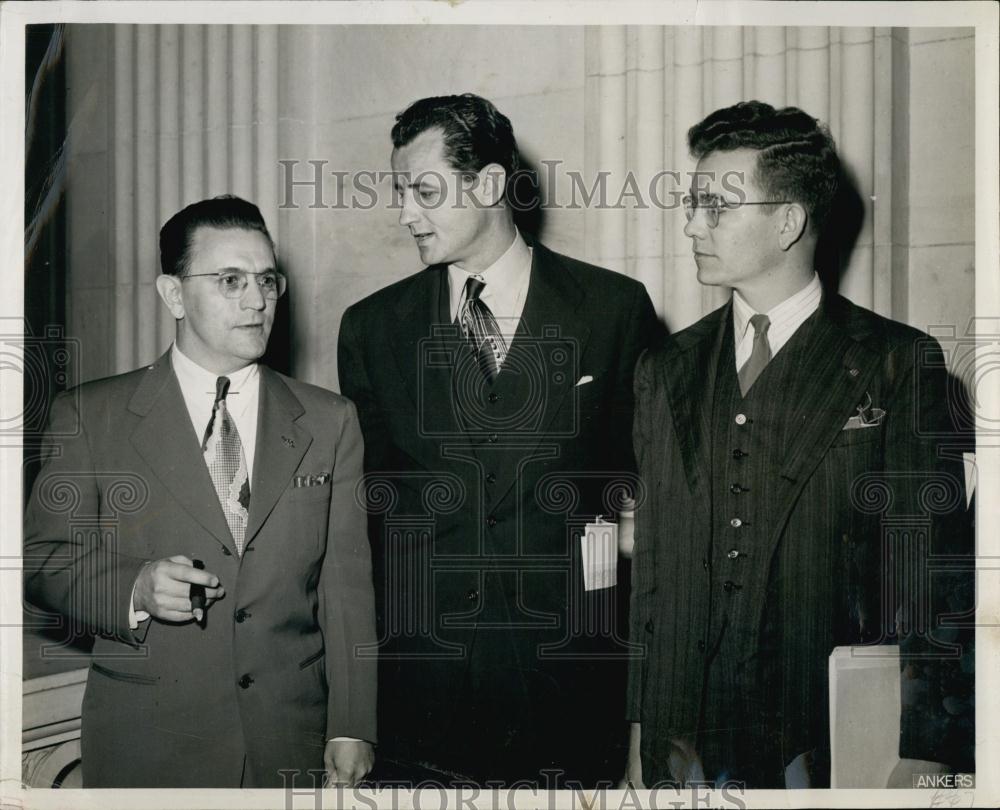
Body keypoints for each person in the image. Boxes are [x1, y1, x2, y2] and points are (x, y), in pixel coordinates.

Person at [625, 100, 974, 789]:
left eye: (714, 206)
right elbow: (654, 579)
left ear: (787, 222)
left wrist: (927, 753)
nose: (693, 225)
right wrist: (639, 739)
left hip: (827, 744)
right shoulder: (664, 369)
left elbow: (930, 576)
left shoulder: (898, 363)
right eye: (692, 205)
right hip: (681, 746)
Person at [338, 93, 662, 786]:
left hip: (572, 690)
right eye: (401, 192)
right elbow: (364, 524)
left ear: (488, 184)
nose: (405, 214)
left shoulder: (614, 309)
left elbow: (643, 510)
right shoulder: (373, 328)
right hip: (421, 698)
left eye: (424, 191)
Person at [23, 195, 377, 788]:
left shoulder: (329, 420)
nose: (258, 301)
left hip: (290, 741)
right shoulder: (90, 415)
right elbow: (39, 559)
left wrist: (352, 725)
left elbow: (347, 586)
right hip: (149, 744)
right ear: (173, 295)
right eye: (231, 280)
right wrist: (132, 584)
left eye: (267, 280)